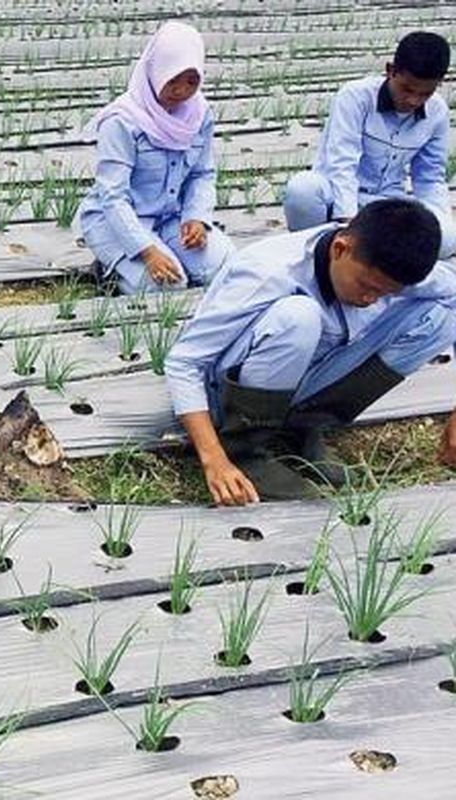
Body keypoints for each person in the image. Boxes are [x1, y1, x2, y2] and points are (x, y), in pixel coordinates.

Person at [165, 199, 456, 506]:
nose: (372, 299)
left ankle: (300, 430)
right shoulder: (268, 271)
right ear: (340, 248)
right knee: (299, 316)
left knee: (441, 317)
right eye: (367, 286)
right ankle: (244, 448)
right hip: (229, 391)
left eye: (386, 293)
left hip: (307, 374)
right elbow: (184, 362)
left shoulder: (382, 270)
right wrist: (214, 459)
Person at [76, 21, 234, 296]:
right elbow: (113, 197)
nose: (181, 91)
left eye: (191, 81)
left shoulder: (199, 114)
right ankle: (109, 267)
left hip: (170, 217)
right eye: (172, 79)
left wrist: (196, 218)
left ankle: (166, 248)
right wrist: (146, 251)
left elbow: (202, 174)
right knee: (167, 286)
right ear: (156, 71)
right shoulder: (122, 122)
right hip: (117, 223)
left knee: (225, 268)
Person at [283, 31, 455, 258]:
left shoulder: (438, 112)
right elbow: (342, 162)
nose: (413, 100)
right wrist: (347, 223)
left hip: (386, 203)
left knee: (447, 236)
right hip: (334, 195)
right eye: (407, 89)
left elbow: (429, 178)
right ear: (390, 70)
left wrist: (435, 222)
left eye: (425, 94)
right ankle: (309, 254)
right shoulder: (355, 97)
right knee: (302, 189)